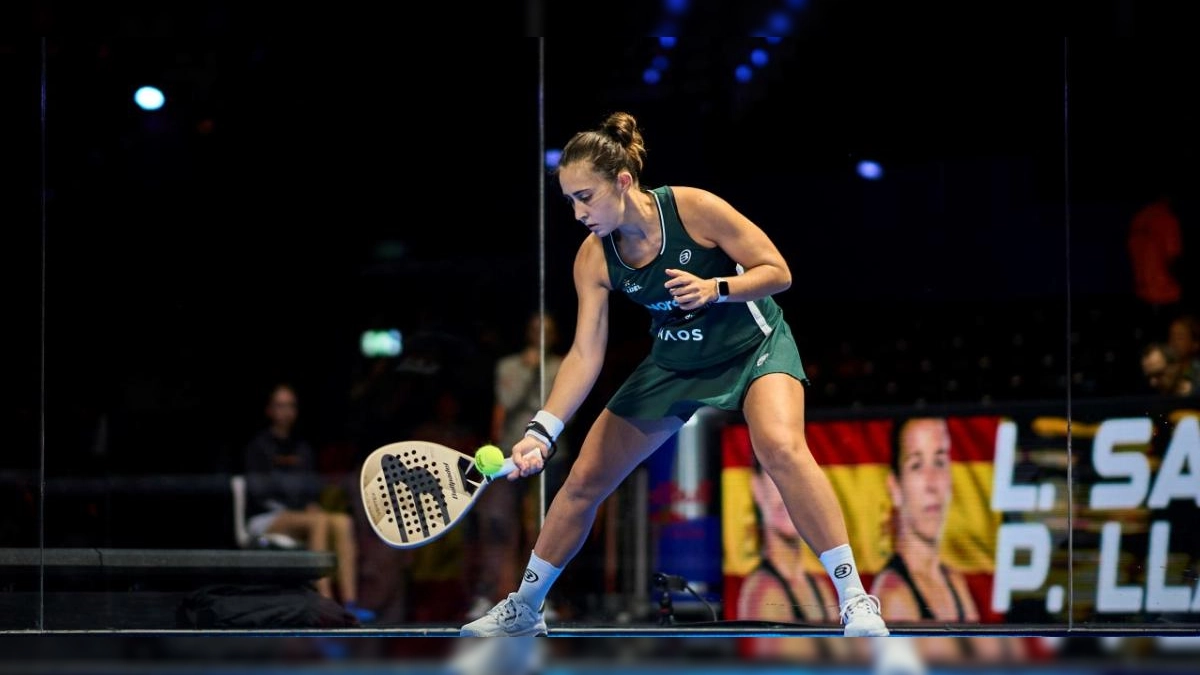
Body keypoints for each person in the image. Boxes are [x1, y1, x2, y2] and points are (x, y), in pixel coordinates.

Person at [460, 111, 888, 637]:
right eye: (569, 200)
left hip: (751, 347)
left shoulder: (694, 208)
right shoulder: (593, 257)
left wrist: (718, 290)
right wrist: (541, 430)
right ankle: (525, 608)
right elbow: (585, 354)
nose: (577, 213)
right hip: (673, 363)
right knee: (582, 482)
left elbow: (778, 272)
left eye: (586, 197)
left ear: (622, 181)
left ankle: (855, 600)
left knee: (780, 446)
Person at [871, 417, 1023, 663]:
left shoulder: (953, 581)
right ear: (895, 487)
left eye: (940, 462)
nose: (932, 484)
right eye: (917, 465)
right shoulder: (894, 596)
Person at [243, 382, 376, 623]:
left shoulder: (302, 448)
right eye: (280, 405)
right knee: (318, 522)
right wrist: (299, 508)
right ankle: (324, 603)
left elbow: (311, 487)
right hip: (266, 518)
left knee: (342, 521)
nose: (286, 411)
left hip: (303, 516)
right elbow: (259, 493)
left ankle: (349, 602)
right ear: (269, 410)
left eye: (290, 405)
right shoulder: (258, 447)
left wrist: (311, 503)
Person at [466, 311, 567, 620]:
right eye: (537, 328)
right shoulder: (507, 366)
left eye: (548, 329)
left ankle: (538, 600)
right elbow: (506, 403)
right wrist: (529, 373)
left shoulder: (563, 366)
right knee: (499, 527)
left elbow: (563, 406)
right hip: (510, 456)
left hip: (552, 456)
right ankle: (490, 594)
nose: (542, 334)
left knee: (542, 528)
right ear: (528, 331)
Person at [736, 459, 848, 661]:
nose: (786, 492)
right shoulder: (762, 591)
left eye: (795, 477)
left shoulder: (820, 587)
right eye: (775, 475)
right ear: (757, 488)